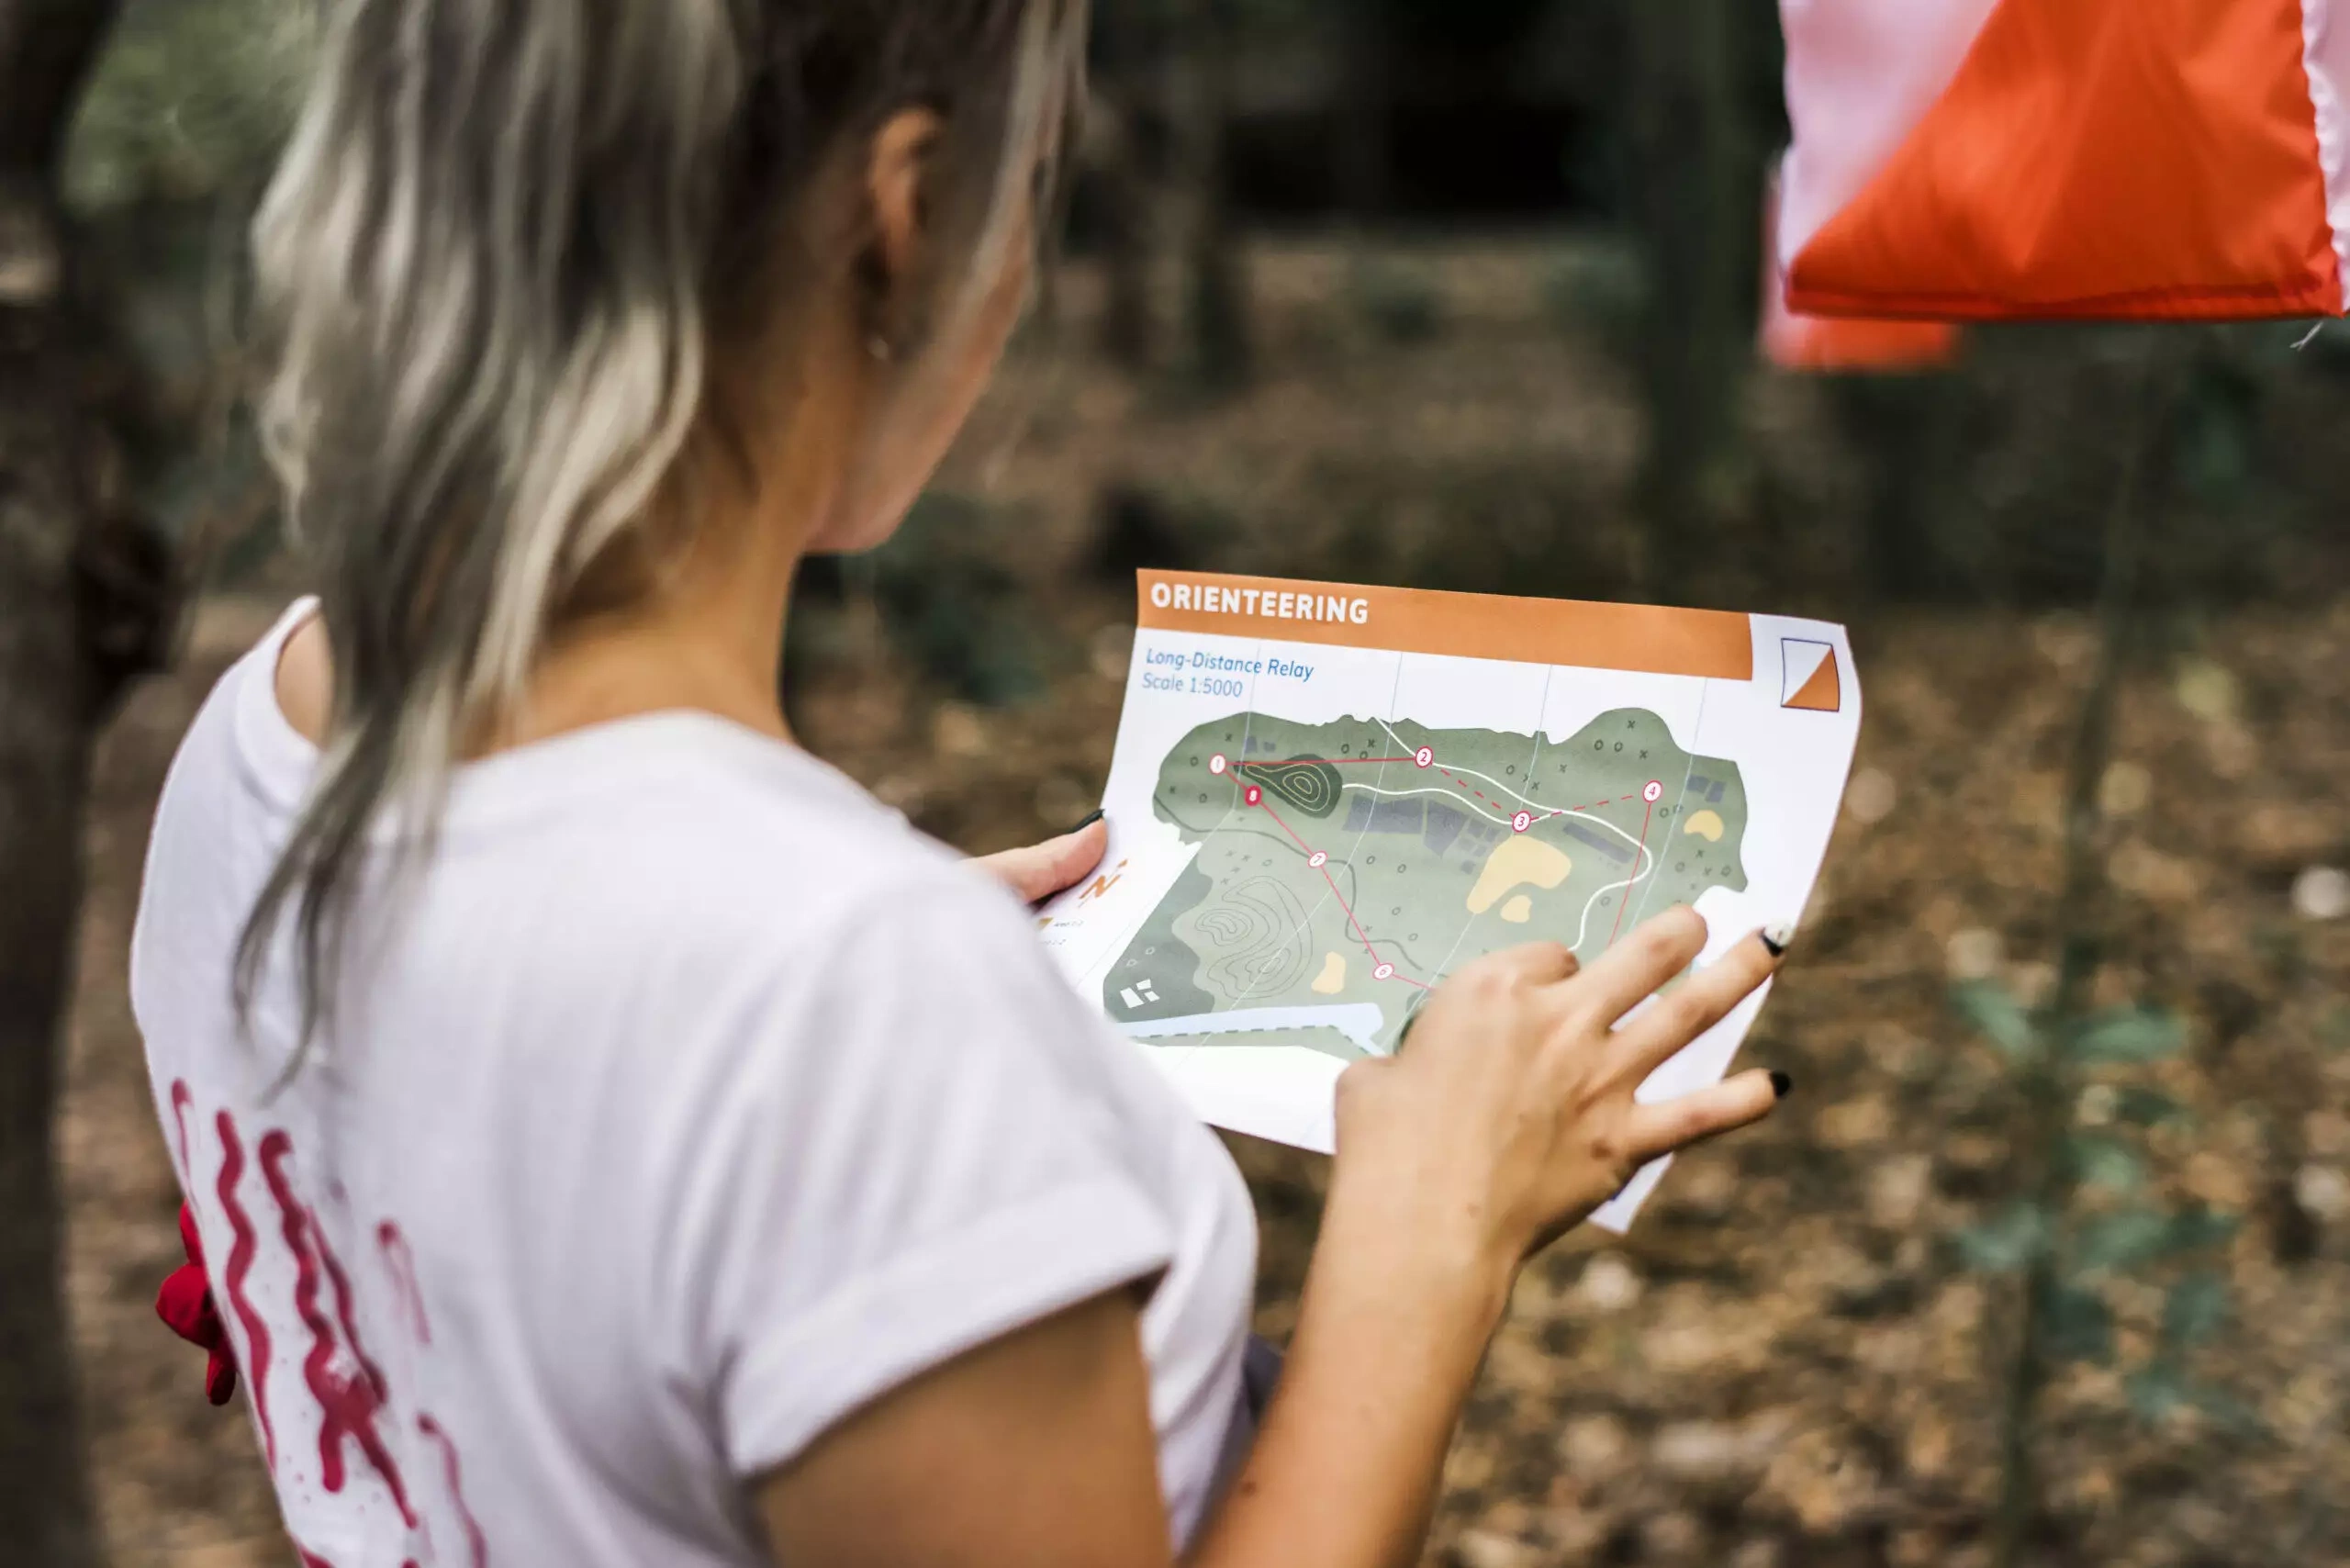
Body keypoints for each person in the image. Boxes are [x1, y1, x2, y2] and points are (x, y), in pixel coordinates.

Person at [131, 3, 1796, 1564]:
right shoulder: (843, 1000)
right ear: (906, 210)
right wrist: (1429, 1241)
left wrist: (854, 999)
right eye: (1036, 181)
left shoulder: (259, 736)